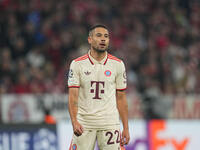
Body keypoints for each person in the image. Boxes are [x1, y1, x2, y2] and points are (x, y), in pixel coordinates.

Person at [68, 24, 130, 150]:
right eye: (99, 35)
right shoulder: (77, 64)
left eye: (106, 36)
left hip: (109, 123)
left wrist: (126, 128)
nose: (103, 39)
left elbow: (121, 99)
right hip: (84, 123)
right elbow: (73, 96)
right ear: (89, 39)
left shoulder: (118, 65)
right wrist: (74, 121)